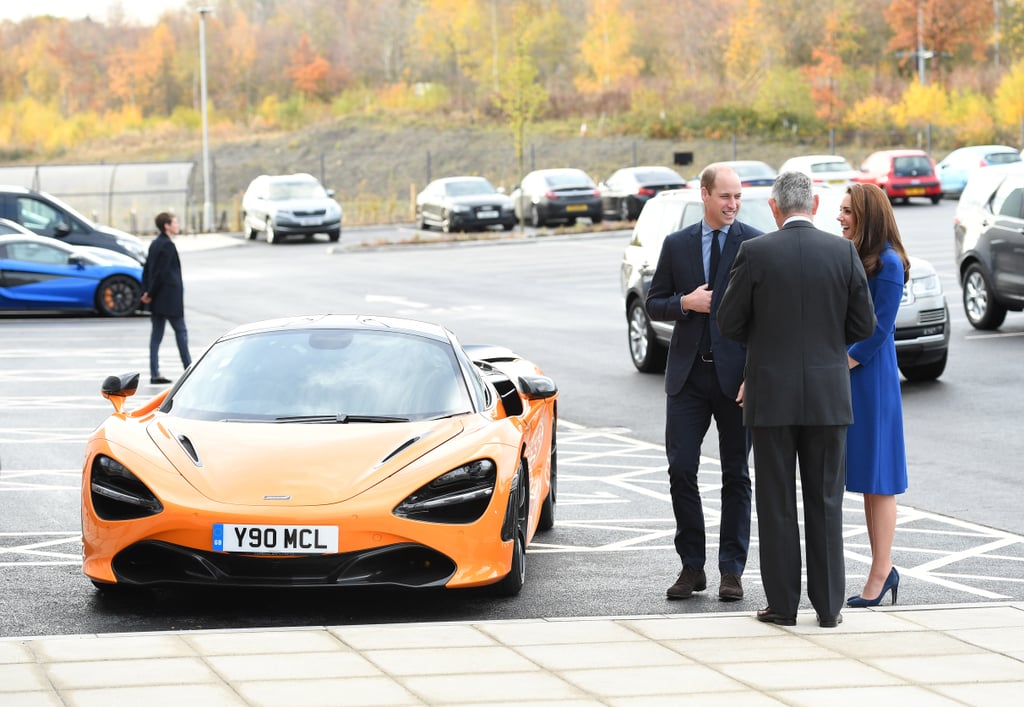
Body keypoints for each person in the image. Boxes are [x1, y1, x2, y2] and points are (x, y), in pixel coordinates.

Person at [717, 171, 876, 628]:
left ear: (773, 208)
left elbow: (728, 322)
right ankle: (829, 608)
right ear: (817, 203)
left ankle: (783, 606)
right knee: (826, 501)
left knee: (776, 503)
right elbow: (863, 326)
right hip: (828, 395)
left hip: (771, 396)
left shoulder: (755, 252)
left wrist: (765, 339)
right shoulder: (842, 251)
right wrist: (827, 345)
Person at [645, 165, 763, 602]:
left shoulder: (754, 242)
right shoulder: (676, 245)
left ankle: (731, 571)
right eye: (725, 196)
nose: (733, 204)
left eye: (738, 197)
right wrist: (685, 303)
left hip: (736, 381)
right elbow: (654, 302)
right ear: (705, 195)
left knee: (737, 475)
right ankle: (692, 568)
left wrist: (755, 373)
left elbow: (764, 317)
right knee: (681, 470)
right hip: (688, 378)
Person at [838, 183, 909, 608]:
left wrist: (841, 364)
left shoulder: (888, 263)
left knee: (879, 481)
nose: (840, 218)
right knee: (866, 478)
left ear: (867, 215)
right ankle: (881, 567)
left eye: (847, 211)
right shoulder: (858, 256)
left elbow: (879, 330)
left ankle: (882, 571)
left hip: (872, 379)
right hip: (854, 374)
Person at [141, 212, 191, 385]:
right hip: (169, 298)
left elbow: (147, 269)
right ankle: (189, 369)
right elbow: (161, 273)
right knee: (181, 332)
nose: (177, 225)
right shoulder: (168, 245)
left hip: (156, 299)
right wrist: (151, 293)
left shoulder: (155, 244)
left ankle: (155, 373)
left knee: (156, 336)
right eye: (175, 222)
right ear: (167, 226)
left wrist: (147, 292)